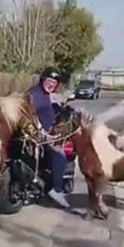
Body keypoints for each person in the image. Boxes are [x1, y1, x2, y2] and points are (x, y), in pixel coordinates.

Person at [28, 66, 70, 209]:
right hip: (38, 136)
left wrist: (56, 108)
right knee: (61, 155)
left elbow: (45, 109)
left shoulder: (42, 93)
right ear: (43, 80)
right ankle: (56, 189)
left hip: (45, 132)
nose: (51, 84)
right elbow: (31, 114)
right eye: (49, 80)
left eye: (54, 83)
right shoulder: (34, 95)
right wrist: (42, 133)